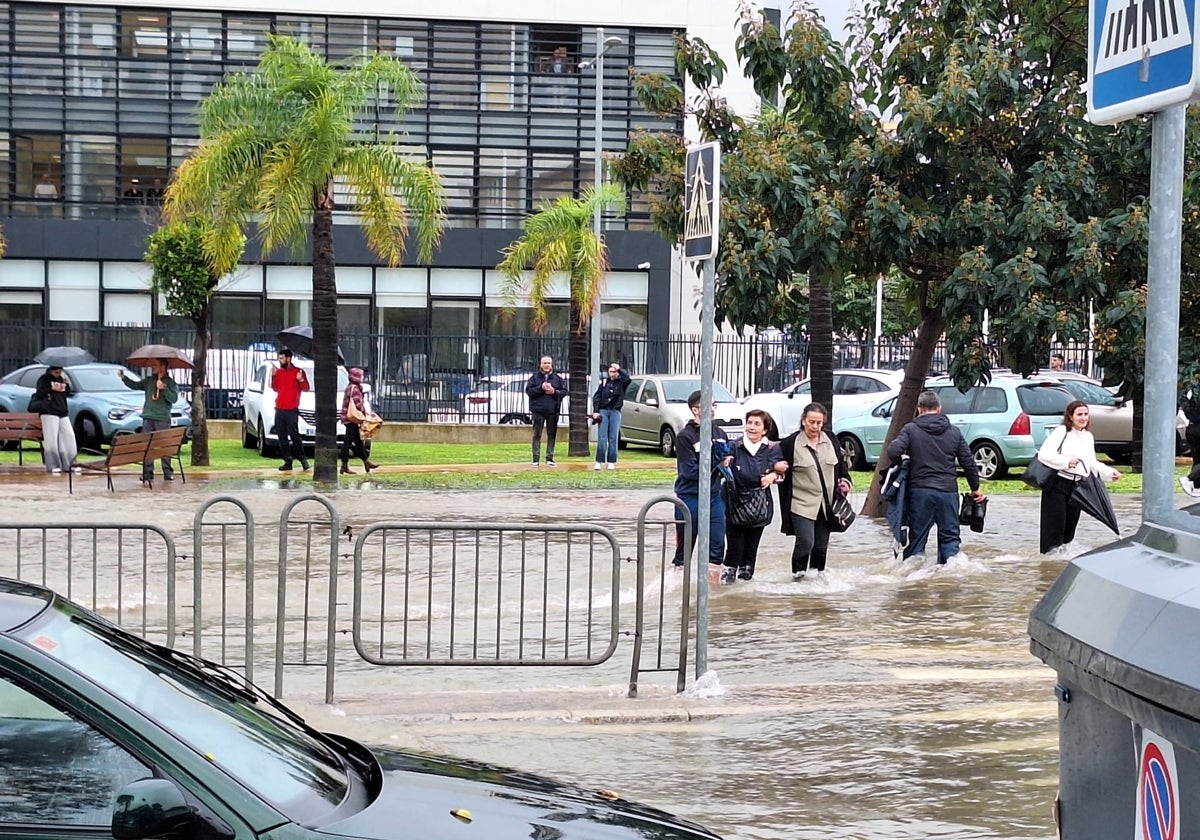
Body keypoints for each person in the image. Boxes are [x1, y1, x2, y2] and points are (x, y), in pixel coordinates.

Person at [885, 390, 986, 564]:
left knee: (916, 544)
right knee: (950, 543)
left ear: (919, 409)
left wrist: (904, 461)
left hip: (920, 493)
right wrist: (975, 489)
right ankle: (952, 579)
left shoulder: (911, 429)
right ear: (939, 408)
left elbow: (893, 451)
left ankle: (913, 583)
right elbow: (968, 462)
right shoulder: (954, 432)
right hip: (948, 494)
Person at [1037, 400, 1121, 553]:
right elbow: (1044, 455)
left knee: (1069, 533)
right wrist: (1066, 462)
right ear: (1070, 416)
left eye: (1086, 414)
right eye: (1079, 414)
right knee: (1054, 530)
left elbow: (1091, 463)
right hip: (1057, 485)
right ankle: (1049, 566)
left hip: (1077, 488)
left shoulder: (1088, 436)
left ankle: (1061, 563)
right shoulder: (1062, 431)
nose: (1083, 418)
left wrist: (1109, 473)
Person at [778, 403, 851, 579]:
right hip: (801, 503)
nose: (815, 427)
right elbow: (778, 467)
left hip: (826, 505)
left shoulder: (831, 439)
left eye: (819, 423)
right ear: (803, 421)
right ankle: (798, 577)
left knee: (820, 547)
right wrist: (775, 468)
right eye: (811, 422)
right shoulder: (790, 443)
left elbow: (841, 467)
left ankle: (817, 580)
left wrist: (846, 481)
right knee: (806, 542)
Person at [720, 409, 787, 583]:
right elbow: (722, 466)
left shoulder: (772, 448)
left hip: (759, 504)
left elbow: (782, 473)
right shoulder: (734, 446)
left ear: (764, 429)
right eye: (749, 422)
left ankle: (746, 585)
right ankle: (727, 583)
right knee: (734, 547)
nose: (752, 427)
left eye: (757, 424)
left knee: (751, 549)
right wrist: (724, 460)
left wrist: (773, 476)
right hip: (734, 502)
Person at [672, 390, 734, 578]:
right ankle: (678, 586)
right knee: (685, 546)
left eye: (714, 405)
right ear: (695, 410)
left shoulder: (720, 432)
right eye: (708, 406)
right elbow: (689, 472)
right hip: (690, 498)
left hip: (714, 497)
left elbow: (729, 456)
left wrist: (727, 460)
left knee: (717, 544)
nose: (712, 410)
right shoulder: (685, 436)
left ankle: (712, 594)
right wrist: (716, 462)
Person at [119, 359, 180, 484]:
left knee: (164, 446)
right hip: (148, 417)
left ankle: (168, 473)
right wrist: (124, 378)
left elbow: (173, 399)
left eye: (156, 365)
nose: (153, 367)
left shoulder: (171, 383)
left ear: (163, 367)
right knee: (147, 446)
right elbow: (135, 385)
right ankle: (147, 473)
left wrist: (163, 388)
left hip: (162, 419)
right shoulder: (149, 381)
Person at [32, 365, 77, 475]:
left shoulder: (61, 379)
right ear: (51, 370)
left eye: (60, 370)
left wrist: (66, 386)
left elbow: (66, 394)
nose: (58, 372)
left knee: (69, 437)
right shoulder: (44, 379)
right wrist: (51, 389)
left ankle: (70, 463)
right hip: (49, 411)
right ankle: (53, 465)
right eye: (56, 371)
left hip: (62, 411)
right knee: (51, 439)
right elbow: (39, 393)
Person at [272, 348, 310, 472]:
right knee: (282, 436)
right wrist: (273, 376)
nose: (280, 360)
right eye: (279, 358)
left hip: (291, 408)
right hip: (279, 408)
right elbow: (276, 387)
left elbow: (306, 388)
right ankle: (287, 460)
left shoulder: (298, 372)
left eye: (282, 358)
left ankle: (302, 458)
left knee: (294, 436)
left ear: (288, 358)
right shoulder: (279, 372)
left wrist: (301, 379)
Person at [525, 356, 565, 467]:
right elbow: (529, 391)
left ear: (552, 364)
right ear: (540, 364)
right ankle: (535, 459)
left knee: (551, 435)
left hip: (552, 410)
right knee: (537, 434)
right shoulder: (534, 378)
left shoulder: (557, 378)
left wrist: (554, 392)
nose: (547, 365)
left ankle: (550, 458)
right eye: (544, 363)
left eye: (549, 363)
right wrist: (541, 388)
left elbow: (563, 392)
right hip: (538, 410)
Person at [339, 367, 379, 475]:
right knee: (347, 443)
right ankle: (344, 465)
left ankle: (366, 462)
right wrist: (364, 414)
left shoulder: (351, 387)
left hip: (349, 418)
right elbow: (358, 404)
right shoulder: (355, 388)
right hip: (351, 419)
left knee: (358, 442)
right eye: (361, 375)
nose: (362, 377)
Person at [591, 362, 630, 470]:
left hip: (615, 411)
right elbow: (597, 398)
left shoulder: (621, 383)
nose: (612, 374)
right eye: (611, 372)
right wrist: (596, 411)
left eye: (615, 372)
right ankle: (599, 461)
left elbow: (627, 379)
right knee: (602, 437)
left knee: (613, 437)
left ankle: (611, 461)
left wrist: (619, 369)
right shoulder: (604, 383)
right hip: (604, 411)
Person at [1180, 384, 1200, 497]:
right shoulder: (1193, 391)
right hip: (1196, 428)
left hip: (1192, 427)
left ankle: (1194, 482)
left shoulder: (1191, 391)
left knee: (1197, 458)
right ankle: (1191, 480)